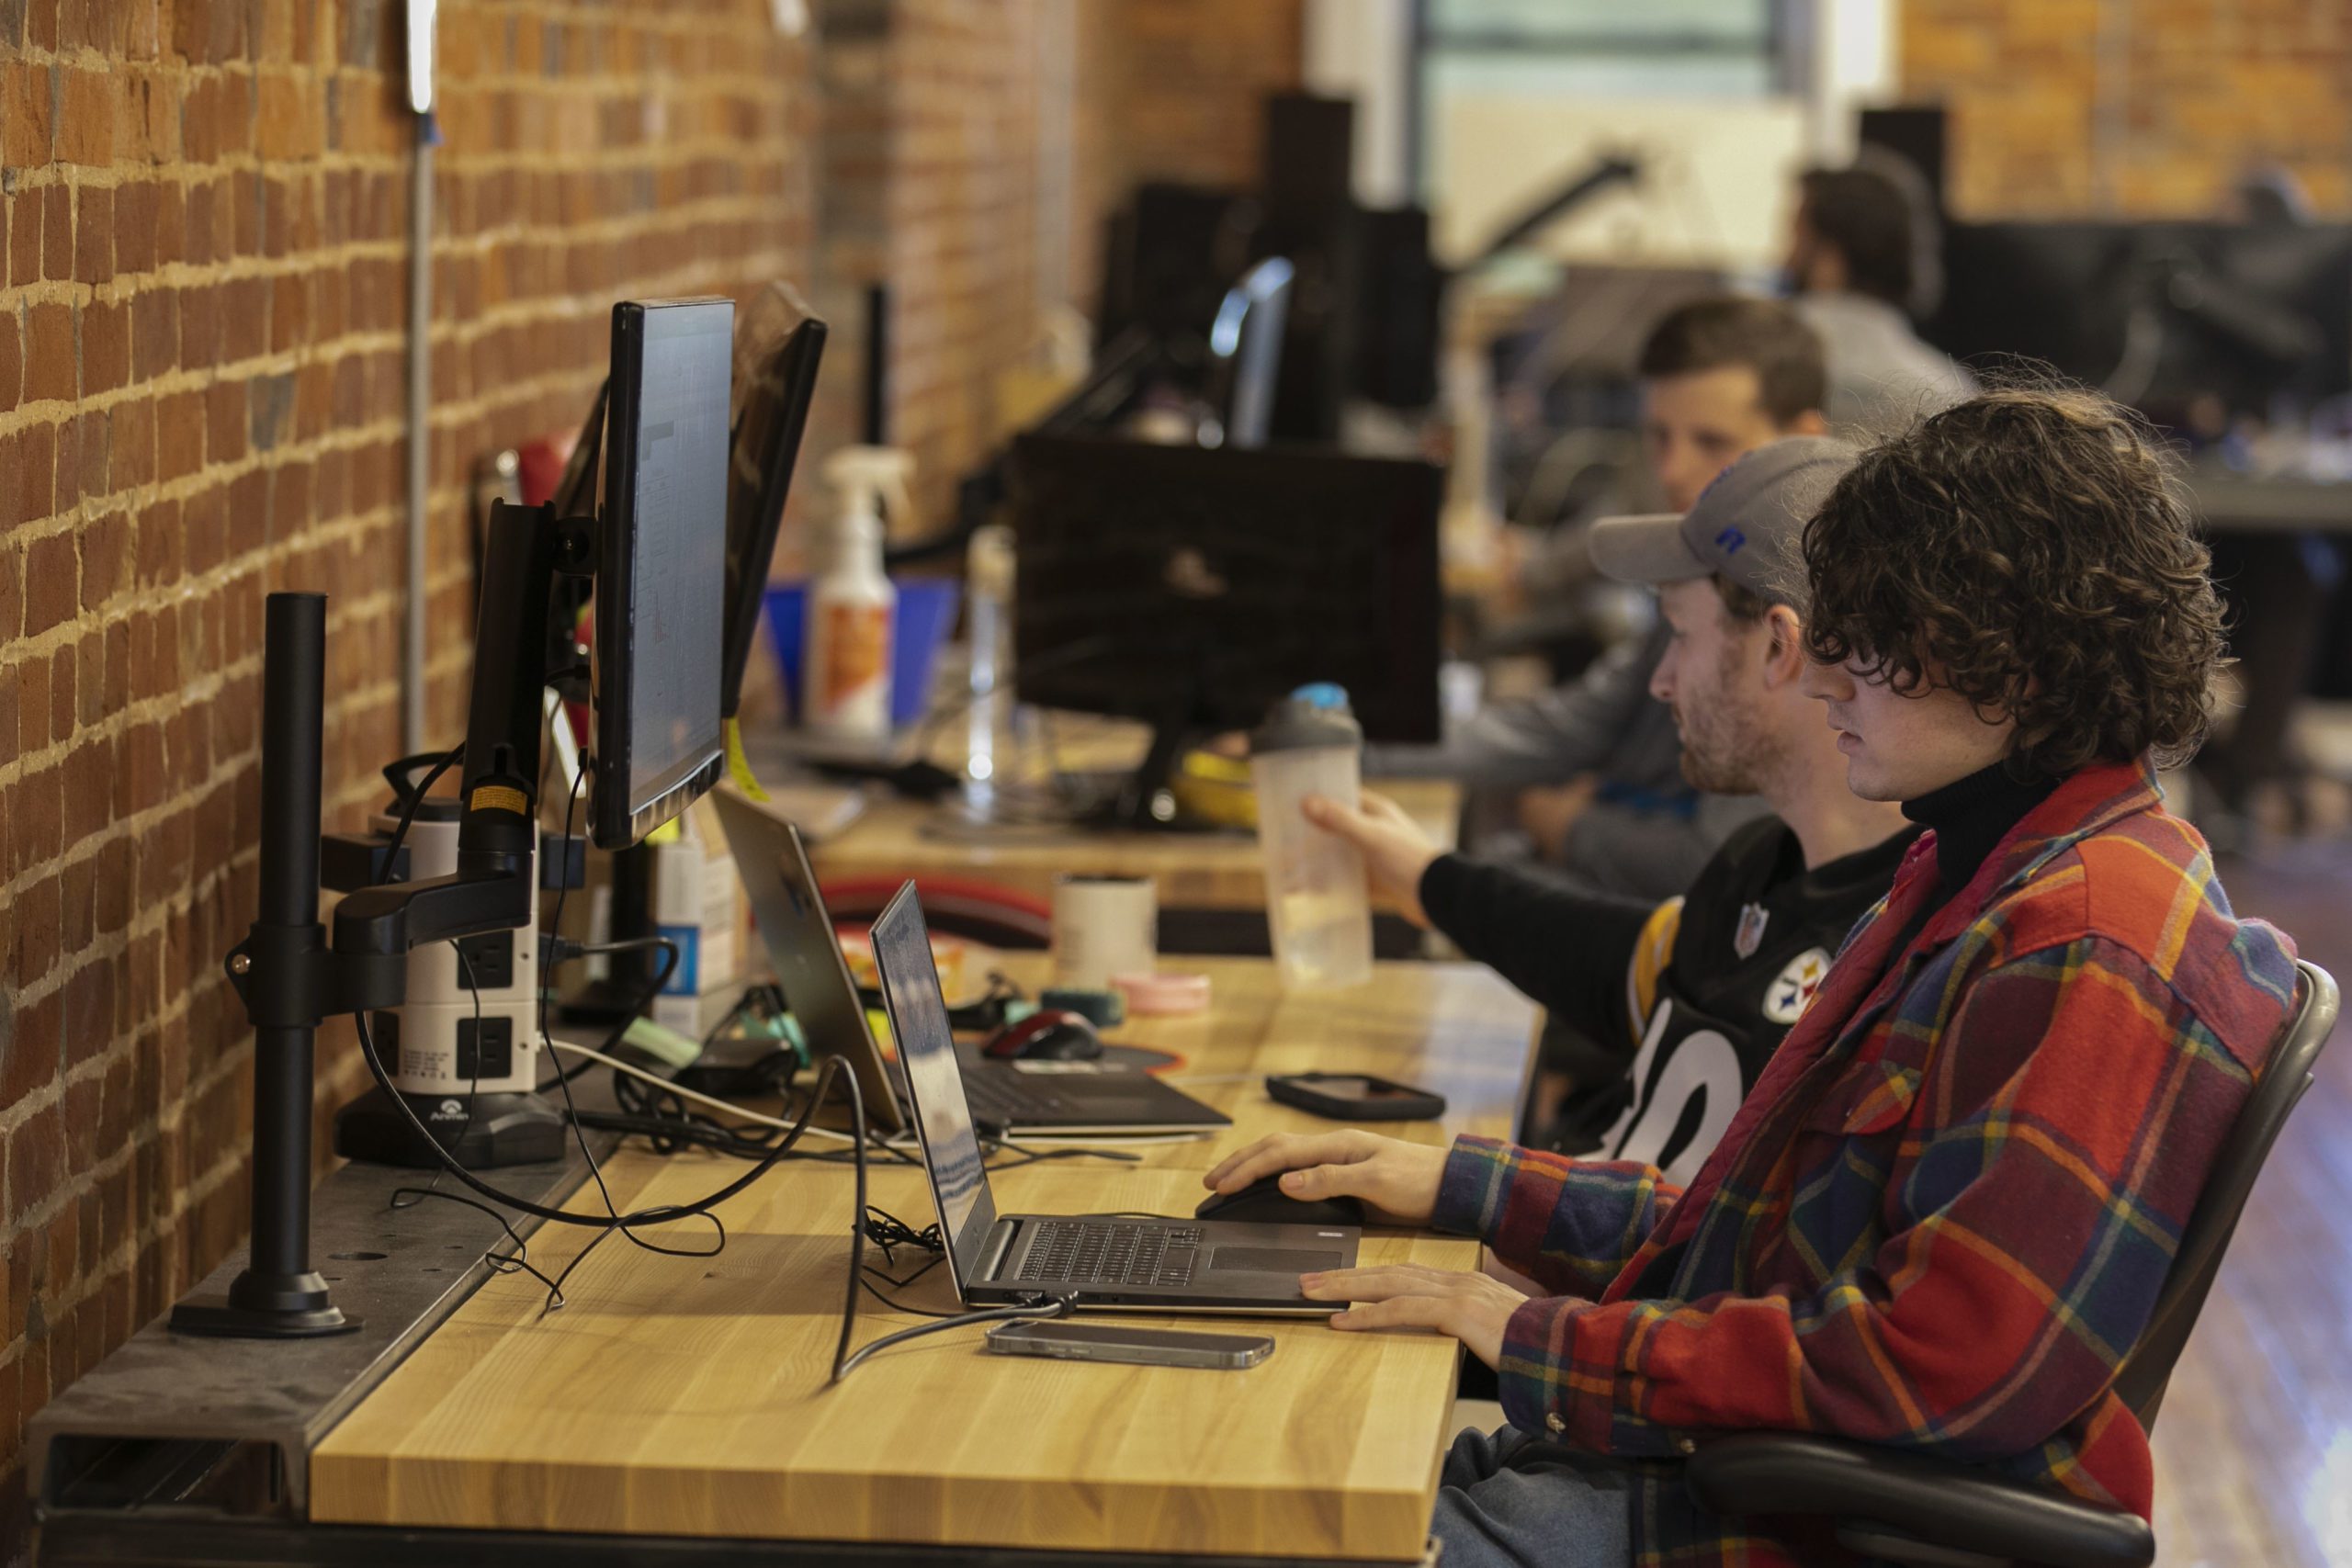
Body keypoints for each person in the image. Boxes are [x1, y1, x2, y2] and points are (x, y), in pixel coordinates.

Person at [1208, 385, 2299, 1568]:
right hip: (1692, 1475)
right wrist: (1462, 1187)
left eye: (1874, 644)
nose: (1829, 680)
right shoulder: (1976, 864)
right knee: (1233, 1468)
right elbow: (1763, 1232)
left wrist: (1538, 1337)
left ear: (2014, 654)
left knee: (1226, 1527)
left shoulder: (2087, 944)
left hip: (1766, 1523)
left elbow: (1939, 1369)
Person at [1313, 438, 1915, 1181]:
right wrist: (1426, 877)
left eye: (1681, 635)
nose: (1662, 680)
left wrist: (1466, 1191)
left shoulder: (1899, 956)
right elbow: (1620, 963)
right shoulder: (1761, 865)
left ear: (1778, 649)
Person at [1374, 296, 1831, 903]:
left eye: (1713, 441)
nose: (1672, 471)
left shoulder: (1794, 615)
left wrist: (1564, 823)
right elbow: (1559, 728)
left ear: (1801, 441)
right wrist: (1345, 742)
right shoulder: (1706, 578)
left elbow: (1714, 863)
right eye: (1659, 437)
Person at [1785, 163, 1974, 440]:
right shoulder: (1950, 387)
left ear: (1830, 258)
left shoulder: (1761, 359)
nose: (1785, 257)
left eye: (1795, 236)